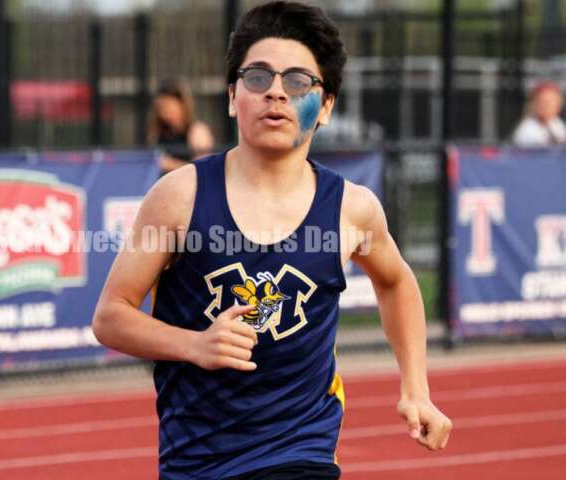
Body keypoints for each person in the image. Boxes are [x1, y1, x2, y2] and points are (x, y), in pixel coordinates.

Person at [92, 2, 452, 479]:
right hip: (197, 460)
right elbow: (110, 316)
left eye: (298, 81)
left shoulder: (352, 209)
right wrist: (196, 344)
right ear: (232, 96)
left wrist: (416, 389)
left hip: (302, 451)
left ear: (326, 107)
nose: (276, 92)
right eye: (258, 77)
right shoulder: (179, 197)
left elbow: (397, 283)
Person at [148, 79, 215, 174]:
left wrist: (170, 165)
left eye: (168, 106)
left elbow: (203, 170)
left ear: (182, 105)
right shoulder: (159, 132)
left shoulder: (197, 131)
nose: (163, 113)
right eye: (160, 108)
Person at [512, 80, 566, 147]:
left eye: (554, 103)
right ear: (533, 104)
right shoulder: (526, 129)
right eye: (545, 103)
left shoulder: (556, 123)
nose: (549, 107)